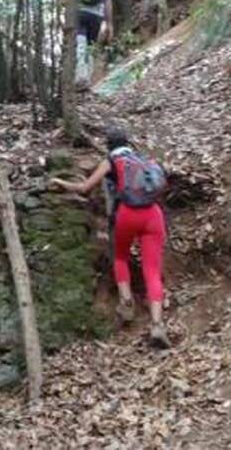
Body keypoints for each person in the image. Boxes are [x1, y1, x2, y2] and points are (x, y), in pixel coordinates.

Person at [50, 127, 170, 348]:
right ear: (127, 143)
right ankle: (157, 325)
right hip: (153, 215)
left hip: (127, 214)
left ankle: (126, 304)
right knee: (152, 271)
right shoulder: (142, 159)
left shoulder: (111, 161)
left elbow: (85, 188)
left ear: (109, 145)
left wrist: (61, 183)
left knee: (120, 257)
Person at [76, 0, 110, 87]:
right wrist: (109, 23)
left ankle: (81, 78)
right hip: (96, 16)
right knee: (91, 47)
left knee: (80, 45)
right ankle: (88, 80)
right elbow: (107, 1)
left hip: (79, 14)